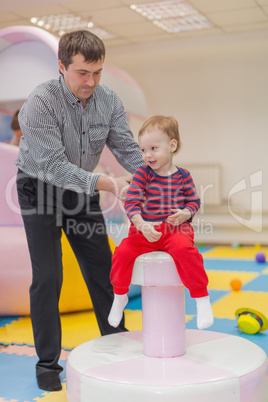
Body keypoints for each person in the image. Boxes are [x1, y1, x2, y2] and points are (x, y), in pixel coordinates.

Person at [15, 30, 143, 392]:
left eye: (98, 72)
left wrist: (160, 178)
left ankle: (117, 343)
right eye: (83, 73)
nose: (91, 81)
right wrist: (107, 184)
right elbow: (54, 166)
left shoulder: (108, 100)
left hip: (81, 190)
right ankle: (47, 365)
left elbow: (127, 149)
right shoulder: (40, 102)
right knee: (49, 276)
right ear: (61, 66)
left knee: (105, 272)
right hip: (39, 188)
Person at [108, 115, 214, 331]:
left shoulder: (184, 176)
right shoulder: (142, 174)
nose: (147, 155)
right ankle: (119, 296)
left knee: (185, 250)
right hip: (143, 231)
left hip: (175, 230)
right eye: (143, 150)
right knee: (121, 253)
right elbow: (131, 201)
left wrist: (185, 213)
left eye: (153, 148)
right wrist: (140, 223)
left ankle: (201, 298)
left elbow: (194, 201)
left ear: (172, 145)